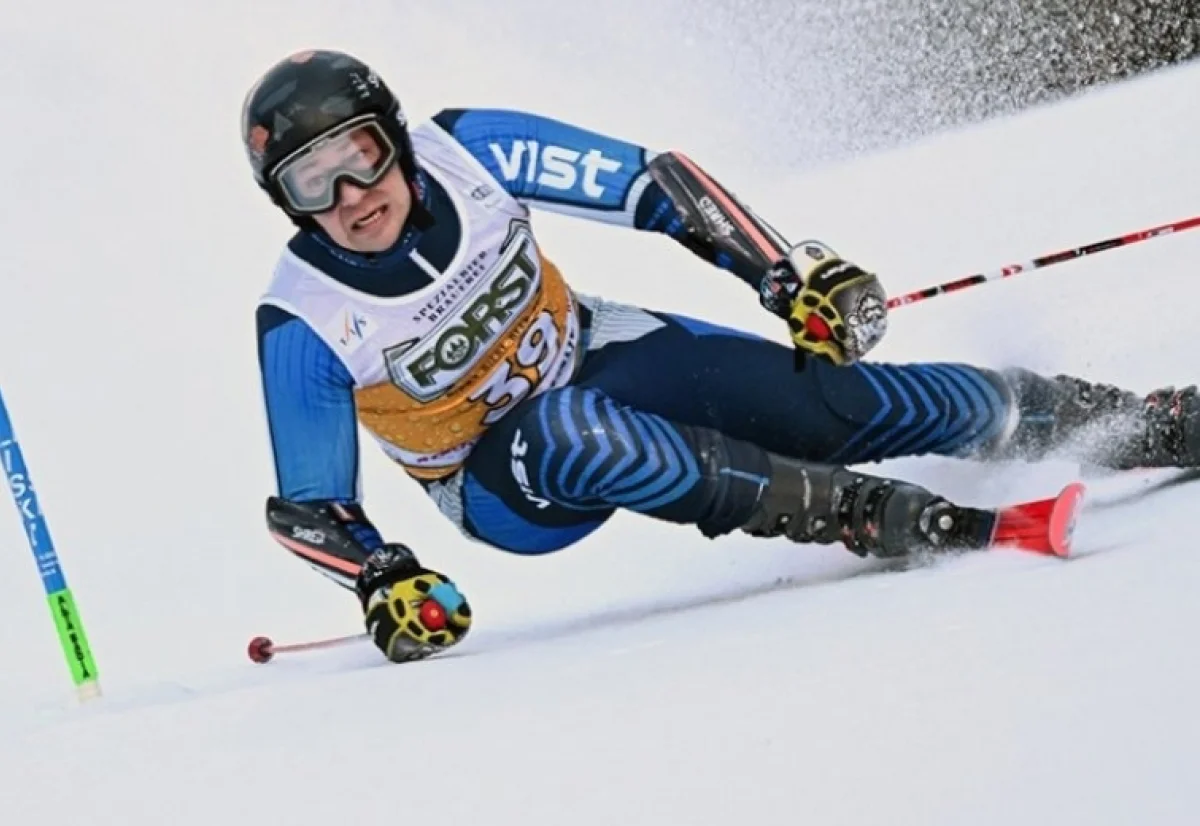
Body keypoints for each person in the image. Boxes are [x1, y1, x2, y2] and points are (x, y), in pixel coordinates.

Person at [243, 49, 1200, 663]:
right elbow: (311, 508)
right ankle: (865, 513)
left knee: (834, 404)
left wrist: (784, 275)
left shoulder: (469, 150)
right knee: (573, 429)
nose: (352, 198)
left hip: (601, 350)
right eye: (311, 184)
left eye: (360, 156)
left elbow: (653, 185)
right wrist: (384, 577)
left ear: (396, 139)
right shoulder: (304, 318)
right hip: (502, 483)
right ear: (287, 203)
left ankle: (1133, 423)